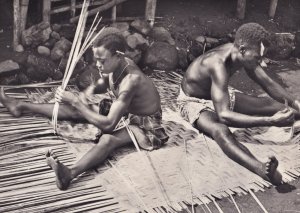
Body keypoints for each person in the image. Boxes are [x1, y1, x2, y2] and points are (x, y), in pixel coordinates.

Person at [0, 34, 169, 190]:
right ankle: (20, 106)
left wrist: (74, 100)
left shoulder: (131, 80)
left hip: (147, 123)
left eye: (102, 61)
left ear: (118, 56)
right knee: (77, 110)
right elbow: (105, 80)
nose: (98, 65)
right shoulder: (117, 65)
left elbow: (109, 124)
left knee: (107, 139)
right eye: (96, 60)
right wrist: (90, 90)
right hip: (127, 109)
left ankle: (70, 174)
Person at [177, 23, 300, 185]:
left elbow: (268, 83)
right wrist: (270, 121)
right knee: (220, 130)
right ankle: (262, 169)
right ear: (242, 50)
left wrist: (295, 103)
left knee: (273, 106)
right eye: (258, 57)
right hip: (193, 101)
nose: (261, 62)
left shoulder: (242, 52)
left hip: (218, 93)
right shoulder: (217, 64)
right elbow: (224, 115)